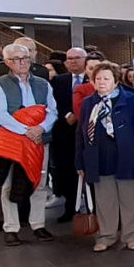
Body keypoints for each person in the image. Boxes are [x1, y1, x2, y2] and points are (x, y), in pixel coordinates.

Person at [0, 42, 58, 246]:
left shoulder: (43, 83)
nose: (22, 62)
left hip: (40, 139)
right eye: (17, 59)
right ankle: (11, 227)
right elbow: (0, 115)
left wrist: (40, 129)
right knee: (9, 185)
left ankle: (38, 224)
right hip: (12, 140)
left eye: (26, 58)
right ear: (7, 62)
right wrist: (27, 131)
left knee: (39, 183)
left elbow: (52, 111)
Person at [74, 62, 134, 251]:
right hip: (100, 158)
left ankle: (132, 236)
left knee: (130, 200)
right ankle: (106, 236)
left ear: (116, 81)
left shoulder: (131, 100)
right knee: (105, 201)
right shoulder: (89, 102)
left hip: (128, 158)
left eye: (106, 78)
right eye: (98, 79)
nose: (102, 82)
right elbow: (81, 133)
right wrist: (80, 161)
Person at [51, 47, 90, 221]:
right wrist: (68, 115)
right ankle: (70, 207)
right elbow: (53, 103)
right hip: (65, 133)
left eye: (77, 58)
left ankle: (93, 208)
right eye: (69, 58)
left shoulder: (94, 79)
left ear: (85, 59)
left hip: (89, 132)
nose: (72, 61)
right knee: (66, 170)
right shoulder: (59, 81)